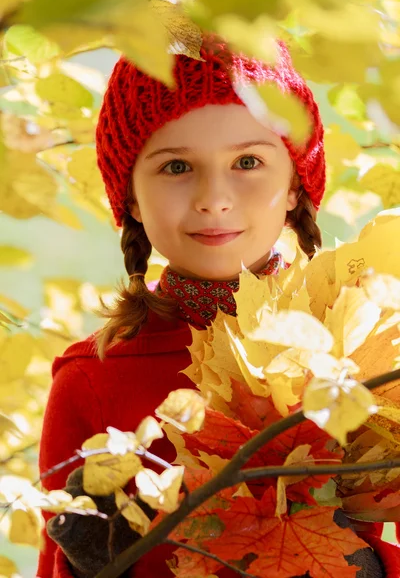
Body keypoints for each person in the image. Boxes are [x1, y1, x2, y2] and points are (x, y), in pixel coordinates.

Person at [37, 33, 400, 578]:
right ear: (131, 196)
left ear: (296, 185)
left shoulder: (364, 355)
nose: (214, 197)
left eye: (248, 161)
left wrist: (365, 563)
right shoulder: (94, 379)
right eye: (176, 167)